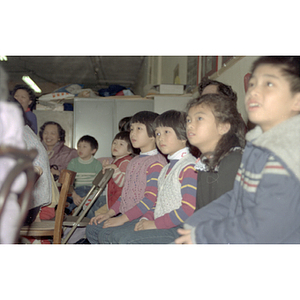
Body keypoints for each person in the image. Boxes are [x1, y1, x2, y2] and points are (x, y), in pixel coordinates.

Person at [175, 56, 300, 244]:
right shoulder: (257, 147)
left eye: (269, 85)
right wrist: (194, 224)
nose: (254, 92)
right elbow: (234, 198)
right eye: (253, 84)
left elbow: (266, 224)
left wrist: (203, 234)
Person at [97, 110, 197, 244]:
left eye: (166, 132)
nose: (160, 138)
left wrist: (155, 223)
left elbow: (188, 210)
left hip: (180, 228)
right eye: (158, 133)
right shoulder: (167, 168)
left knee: (123, 239)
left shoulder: (188, 167)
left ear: (184, 136)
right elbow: (158, 202)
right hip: (162, 222)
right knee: (110, 235)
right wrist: (146, 219)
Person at [86, 110, 167, 244]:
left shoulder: (156, 163)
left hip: (143, 217)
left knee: (106, 234)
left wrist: (122, 219)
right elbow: (125, 195)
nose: (133, 134)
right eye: (131, 129)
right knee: (92, 228)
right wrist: (109, 214)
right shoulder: (134, 161)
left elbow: (150, 200)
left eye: (139, 129)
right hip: (127, 215)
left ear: (153, 134)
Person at [186, 93, 245, 212]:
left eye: (199, 118)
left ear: (223, 127)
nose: (190, 125)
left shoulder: (234, 161)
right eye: (188, 120)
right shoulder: (206, 162)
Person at [90, 131, 135, 217]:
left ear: (129, 150)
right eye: (114, 143)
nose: (116, 146)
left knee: (98, 213)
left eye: (121, 144)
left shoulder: (126, 162)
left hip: (120, 203)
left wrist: (114, 168)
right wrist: (106, 169)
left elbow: (121, 182)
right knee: (97, 212)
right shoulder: (116, 161)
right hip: (113, 200)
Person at [65, 135, 102, 214]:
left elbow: (100, 183)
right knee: (69, 197)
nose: (80, 149)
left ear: (93, 150)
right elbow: (68, 182)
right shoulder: (73, 162)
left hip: (91, 191)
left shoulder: (97, 164)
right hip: (77, 190)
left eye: (84, 147)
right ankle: (69, 207)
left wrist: (89, 196)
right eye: (79, 146)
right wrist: (74, 195)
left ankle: (71, 207)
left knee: (93, 203)